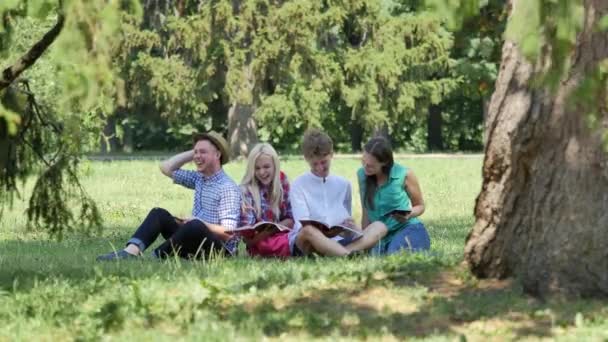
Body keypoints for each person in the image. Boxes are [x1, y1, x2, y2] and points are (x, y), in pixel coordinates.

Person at [96, 131, 241, 261]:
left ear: (217, 155)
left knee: (195, 225)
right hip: (195, 243)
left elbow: (229, 233)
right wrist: (195, 152)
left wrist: (198, 222)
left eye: (203, 152)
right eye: (195, 152)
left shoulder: (227, 188)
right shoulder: (199, 178)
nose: (197, 156)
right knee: (159, 214)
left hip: (219, 251)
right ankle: (130, 252)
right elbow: (166, 168)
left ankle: (155, 257)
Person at [289, 129, 387, 256]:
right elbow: (301, 225)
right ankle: (347, 255)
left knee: (380, 226)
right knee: (308, 230)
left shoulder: (343, 184)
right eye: (314, 164)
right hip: (309, 242)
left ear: (331, 154)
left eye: (324, 162)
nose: (320, 168)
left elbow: (345, 218)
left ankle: (341, 252)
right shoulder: (299, 184)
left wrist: (351, 228)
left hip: (339, 239)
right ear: (307, 160)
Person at [358, 136, 430, 254]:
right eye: (363, 162)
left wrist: (408, 213)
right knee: (375, 258)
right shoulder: (362, 175)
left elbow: (420, 206)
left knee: (395, 254)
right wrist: (365, 245)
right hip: (380, 235)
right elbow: (366, 211)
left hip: (407, 229)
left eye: (370, 165)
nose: (365, 167)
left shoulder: (404, 174)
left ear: (384, 162)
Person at [238, 143, 294, 258]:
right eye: (257, 168)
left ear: (275, 165)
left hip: (283, 234)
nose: (262, 172)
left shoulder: (282, 180)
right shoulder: (246, 188)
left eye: (266, 167)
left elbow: (291, 218)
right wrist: (268, 232)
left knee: (296, 237)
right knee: (265, 246)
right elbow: (248, 238)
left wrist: (271, 229)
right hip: (259, 241)